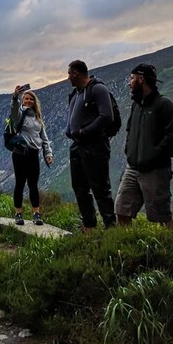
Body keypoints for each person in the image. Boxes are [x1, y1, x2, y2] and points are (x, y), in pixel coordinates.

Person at [115, 64, 173, 229]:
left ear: (141, 80)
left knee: (161, 215)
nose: (129, 82)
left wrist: (155, 154)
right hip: (132, 168)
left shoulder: (164, 105)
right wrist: (129, 149)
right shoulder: (136, 105)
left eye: (132, 78)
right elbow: (129, 129)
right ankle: (127, 249)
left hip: (156, 170)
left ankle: (171, 248)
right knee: (122, 210)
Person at [66, 60, 116, 230]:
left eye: (69, 74)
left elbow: (107, 116)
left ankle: (110, 226)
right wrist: (71, 132)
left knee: (100, 187)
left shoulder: (97, 88)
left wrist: (84, 132)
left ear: (76, 73)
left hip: (95, 145)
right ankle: (89, 225)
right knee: (79, 188)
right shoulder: (76, 93)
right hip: (77, 146)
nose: (68, 78)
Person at [10, 86, 53, 225]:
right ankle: (18, 213)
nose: (28, 101)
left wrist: (48, 153)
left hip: (34, 154)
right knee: (20, 183)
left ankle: (36, 214)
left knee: (33, 184)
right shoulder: (18, 115)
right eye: (26, 99)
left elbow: (44, 138)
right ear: (22, 101)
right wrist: (15, 97)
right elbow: (14, 109)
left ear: (34, 102)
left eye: (31, 99)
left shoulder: (38, 119)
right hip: (20, 154)